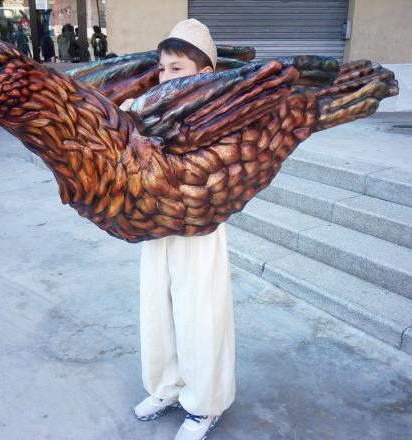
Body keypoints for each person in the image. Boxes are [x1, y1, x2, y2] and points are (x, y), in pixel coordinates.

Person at [120, 19, 236, 440]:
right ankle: (166, 388)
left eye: (177, 68)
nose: (165, 76)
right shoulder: (147, 105)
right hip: (157, 224)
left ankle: (205, 405)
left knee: (199, 313)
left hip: (199, 228)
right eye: (162, 67)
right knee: (157, 307)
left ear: (204, 74)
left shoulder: (222, 113)